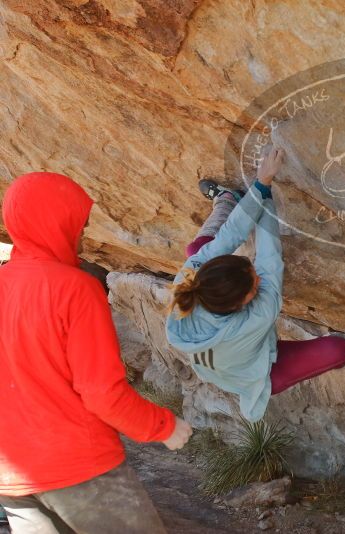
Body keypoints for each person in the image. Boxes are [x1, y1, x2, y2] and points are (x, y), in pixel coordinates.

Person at [0, 172, 193, 533]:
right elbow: (102, 393)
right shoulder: (76, 289)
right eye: (79, 224)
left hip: (11, 479)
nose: (82, 236)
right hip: (78, 466)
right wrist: (163, 427)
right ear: (56, 222)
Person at [165, 146, 345, 422]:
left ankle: (227, 201)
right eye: (254, 286)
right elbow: (268, 257)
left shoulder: (189, 281)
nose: (258, 279)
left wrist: (262, 183)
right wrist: (266, 195)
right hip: (256, 371)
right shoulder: (258, 316)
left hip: (221, 354)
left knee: (197, 249)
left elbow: (229, 236)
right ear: (241, 305)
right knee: (337, 351)